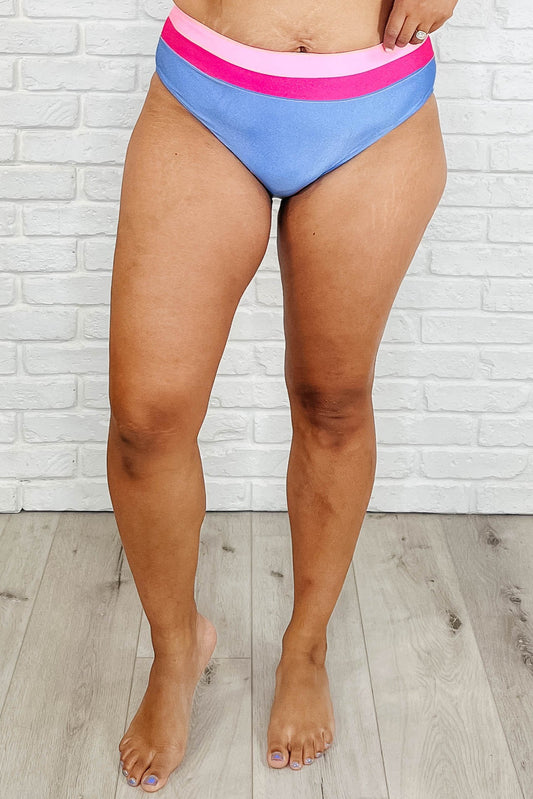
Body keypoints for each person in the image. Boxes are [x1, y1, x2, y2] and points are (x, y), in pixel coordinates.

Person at [107, 0, 455, 791]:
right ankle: (176, 648)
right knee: (145, 420)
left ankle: (306, 646)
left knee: (333, 398)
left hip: (374, 98)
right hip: (206, 91)